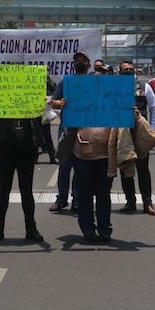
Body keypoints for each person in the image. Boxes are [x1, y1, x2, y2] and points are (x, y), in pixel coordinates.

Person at [0, 117, 45, 243]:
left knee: (26, 190)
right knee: (3, 190)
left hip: (27, 143)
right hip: (4, 143)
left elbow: (41, 104)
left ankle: (31, 228)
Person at [49, 52, 92, 212]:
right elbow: (52, 102)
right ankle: (61, 199)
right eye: (76, 61)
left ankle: (77, 199)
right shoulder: (65, 81)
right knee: (64, 166)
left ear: (88, 64)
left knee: (81, 167)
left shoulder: (95, 83)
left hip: (87, 130)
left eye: (82, 60)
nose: (79, 63)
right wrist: (59, 102)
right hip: (67, 130)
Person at [118, 61, 155, 216]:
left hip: (139, 134)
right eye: (125, 69)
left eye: (130, 69)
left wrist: (151, 130)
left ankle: (147, 203)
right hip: (122, 133)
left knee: (143, 170)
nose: (128, 71)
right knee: (126, 168)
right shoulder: (113, 87)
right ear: (119, 71)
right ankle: (130, 202)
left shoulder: (144, 87)